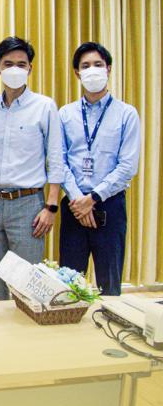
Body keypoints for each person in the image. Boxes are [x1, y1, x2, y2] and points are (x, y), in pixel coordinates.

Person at [0, 36, 64, 301]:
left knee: (27, 286)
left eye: (21, 64)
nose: (14, 69)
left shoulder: (44, 106)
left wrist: (51, 207)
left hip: (28, 205)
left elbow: (56, 159)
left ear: (30, 68)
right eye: (8, 64)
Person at [59, 42, 141, 295]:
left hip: (109, 206)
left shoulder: (126, 114)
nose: (92, 70)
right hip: (74, 207)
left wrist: (93, 198)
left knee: (110, 284)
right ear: (77, 73)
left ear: (108, 69)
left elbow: (127, 166)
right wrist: (78, 200)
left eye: (97, 64)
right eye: (85, 66)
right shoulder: (65, 114)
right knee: (69, 285)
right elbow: (59, 162)